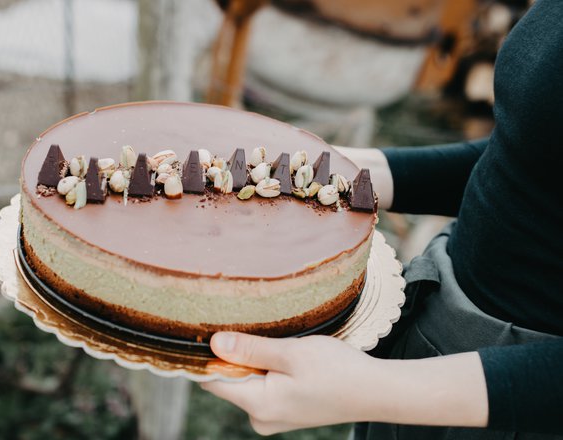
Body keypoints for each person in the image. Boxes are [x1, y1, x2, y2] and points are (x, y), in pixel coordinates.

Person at [201, 0, 563, 438]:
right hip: (431, 324)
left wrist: (379, 389)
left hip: (507, 407)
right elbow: (528, 156)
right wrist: (345, 173)